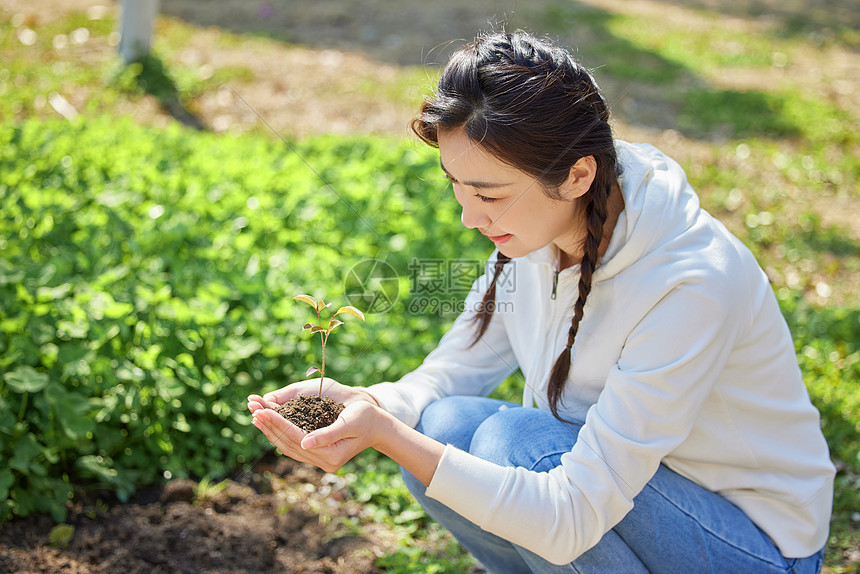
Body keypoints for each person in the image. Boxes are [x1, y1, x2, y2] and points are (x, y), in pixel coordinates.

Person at [248, 30, 835, 573]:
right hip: (626, 490)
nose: (467, 218)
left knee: (516, 447)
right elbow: (454, 372)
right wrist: (366, 406)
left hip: (754, 546)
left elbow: (572, 516)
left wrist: (388, 435)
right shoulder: (539, 231)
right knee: (443, 421)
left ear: (579, 175)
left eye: (489, 195)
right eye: (458, 186)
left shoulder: (691, 284)